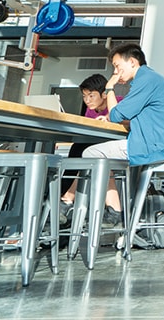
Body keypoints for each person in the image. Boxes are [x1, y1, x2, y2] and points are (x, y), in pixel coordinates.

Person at [81, 43, 164, 227]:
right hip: (163, 145)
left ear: (131, 62)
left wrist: (110, 88)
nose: (116, 71)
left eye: (116, 66)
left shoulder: (145, 80)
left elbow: (116, 115)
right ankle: (115, 210)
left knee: (89, 153)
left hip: (153, 146)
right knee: (98, 154)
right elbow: (135, 118)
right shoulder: (151, 79)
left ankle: (114, 211)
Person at [59, 74, 123, 221]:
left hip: (116, 147)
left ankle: (66, 199)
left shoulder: (118, 102)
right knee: (77, 148)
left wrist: (108, 118)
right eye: (84, 96)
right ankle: (65, 198)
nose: (87, 100)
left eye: (91, 96)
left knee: (81, 151)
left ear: (104, 94)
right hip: (97, 147)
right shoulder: (90, 110)